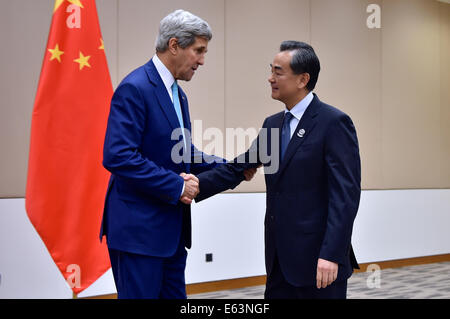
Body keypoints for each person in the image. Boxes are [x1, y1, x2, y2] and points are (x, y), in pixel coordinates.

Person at [99, 9, 253, 299]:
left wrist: (232, 168)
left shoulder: (177, 94)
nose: (202, 60)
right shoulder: (135, 87)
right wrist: (177, 186)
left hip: (171, 233)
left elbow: (182, 153)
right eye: (198, 51)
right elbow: (118, 155)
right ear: (174, 46)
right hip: (139, 236)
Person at [195, 41, 361, 299]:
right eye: (271, 70)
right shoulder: (273, 125)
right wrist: (194, 185)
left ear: (302, 79)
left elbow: (345, 197)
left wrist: (331, 254)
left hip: (319, 262)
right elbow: (239, 166)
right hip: (278, 263)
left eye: (278, 72)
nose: (270, 78)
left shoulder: (334, 123)